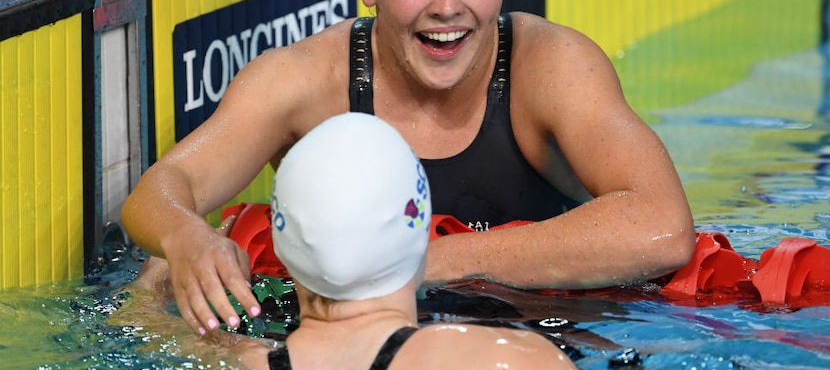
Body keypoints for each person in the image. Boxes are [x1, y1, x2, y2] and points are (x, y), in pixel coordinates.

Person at [121, 0, 695, 337]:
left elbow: (662, 226)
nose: (448, 5)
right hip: (370, 345)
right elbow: (163, 188)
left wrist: (416, 264)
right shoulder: (306, 80)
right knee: (160, 275)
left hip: (546, 338)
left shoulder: (550, 66)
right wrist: (187, 240)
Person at [122, 113, 578, 369]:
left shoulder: (235, 362)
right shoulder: (508, 360)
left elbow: (149, 330)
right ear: (423, 231)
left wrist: (148, 288)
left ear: (278, 247)